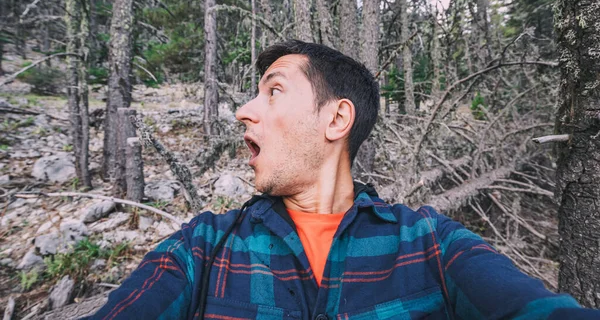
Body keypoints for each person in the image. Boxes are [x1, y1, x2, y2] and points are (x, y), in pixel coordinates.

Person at [86, 41, 599, 320]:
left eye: (272, 91)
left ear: (336, 120)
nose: (243, 111)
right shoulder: (203, 248)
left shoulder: (428, 243)